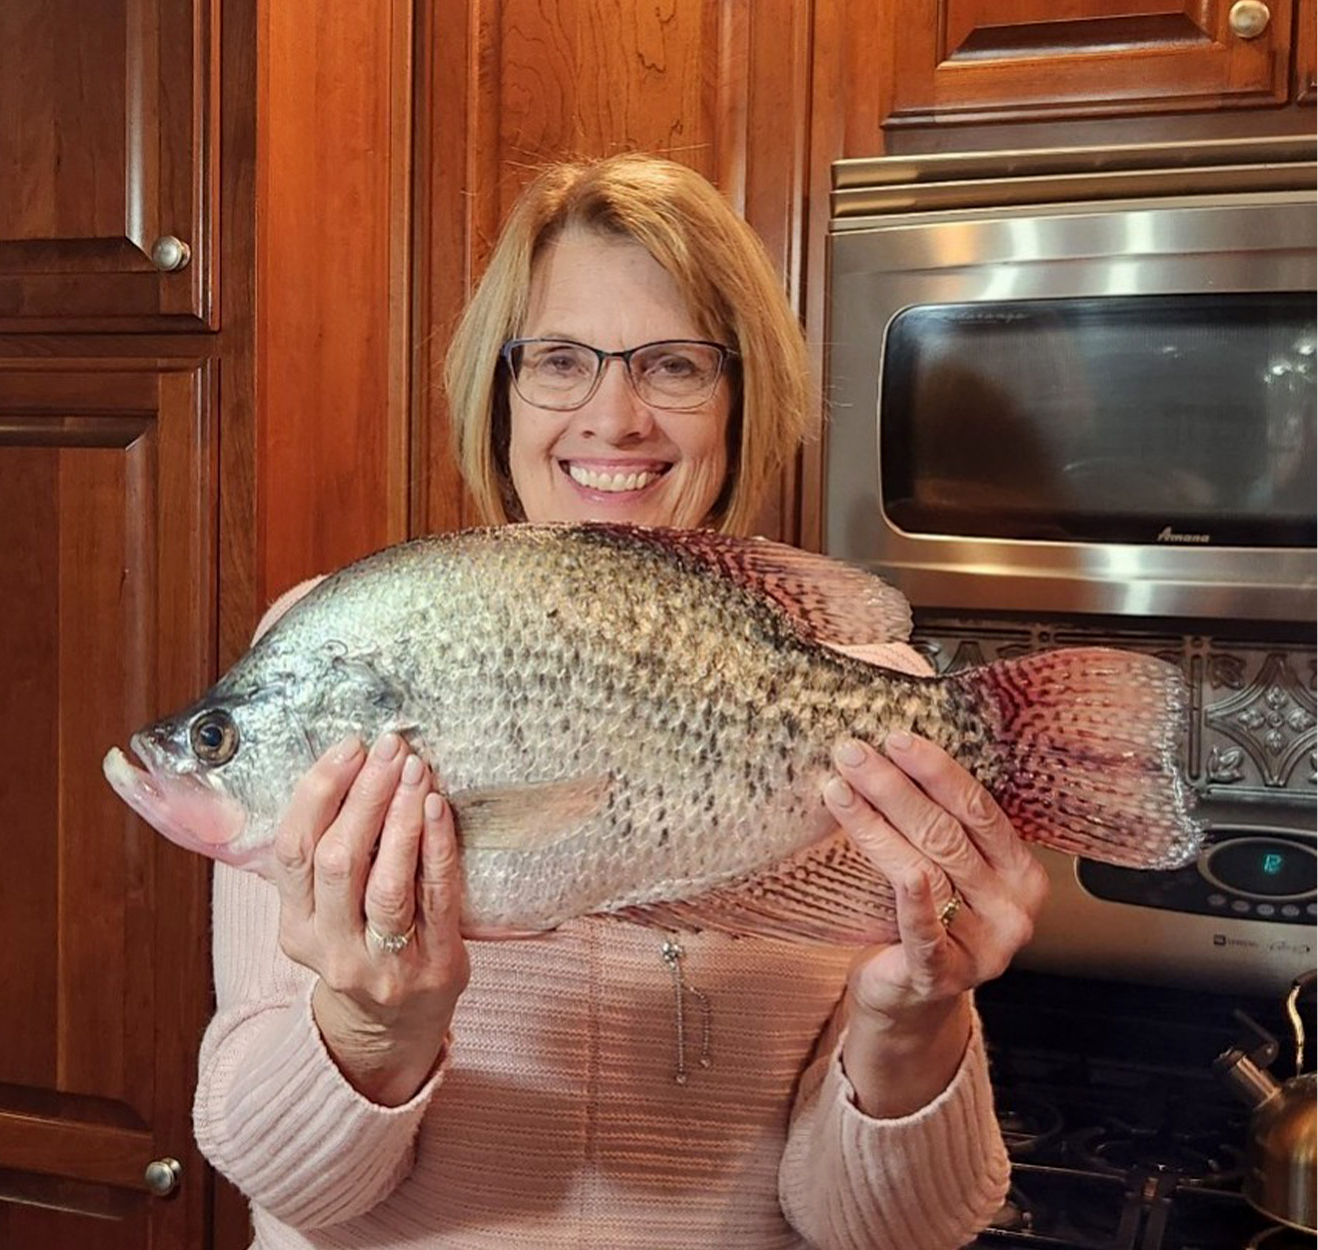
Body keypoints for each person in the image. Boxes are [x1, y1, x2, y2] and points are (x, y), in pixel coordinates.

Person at [193, 153, 1048, 1249]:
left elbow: (885, 1230)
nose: (616, 416)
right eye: (559, 358)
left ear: (741, 397)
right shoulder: (342, 644)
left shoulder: (881, 717)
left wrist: (913, 1021)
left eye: (675, 364)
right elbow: (287, 1181)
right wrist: (368, 1022)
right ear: (500, 388)